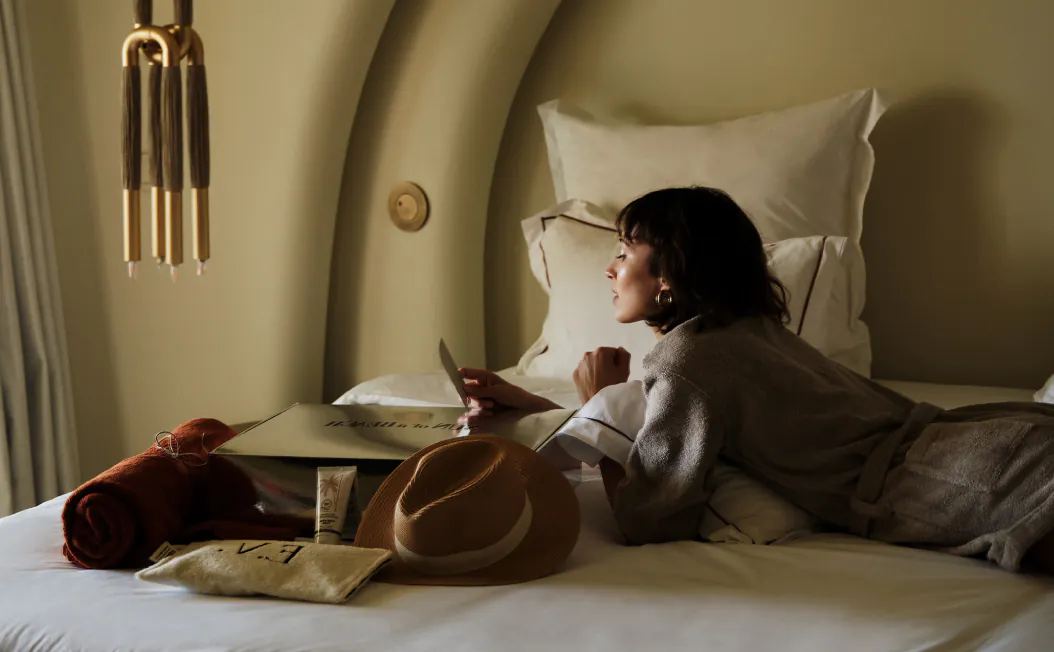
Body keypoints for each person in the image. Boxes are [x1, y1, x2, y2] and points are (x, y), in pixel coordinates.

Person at [457, 186, 1054, 574]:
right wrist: (541, 406)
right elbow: (675, 421)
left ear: (670, 273)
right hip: (987, 441)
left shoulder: (687, 363)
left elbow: (650, 517)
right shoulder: (744, 329)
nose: (610, 268)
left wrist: (599, 404)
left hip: (957, 480)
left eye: (624, 250)